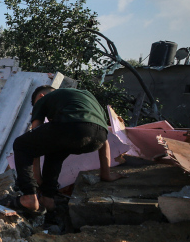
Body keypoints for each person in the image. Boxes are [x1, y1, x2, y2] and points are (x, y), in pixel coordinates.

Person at [12, 86, 124, 215]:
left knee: (21, 144)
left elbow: (34, 142)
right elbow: (105, 143)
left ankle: (28, 197)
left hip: (73, 127)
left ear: (41, 96)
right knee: (55, 152)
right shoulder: (87, 98)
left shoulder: (43, 99)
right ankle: (48, 199)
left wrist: (36, 179)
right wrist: (106, 174)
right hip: (99, 137)